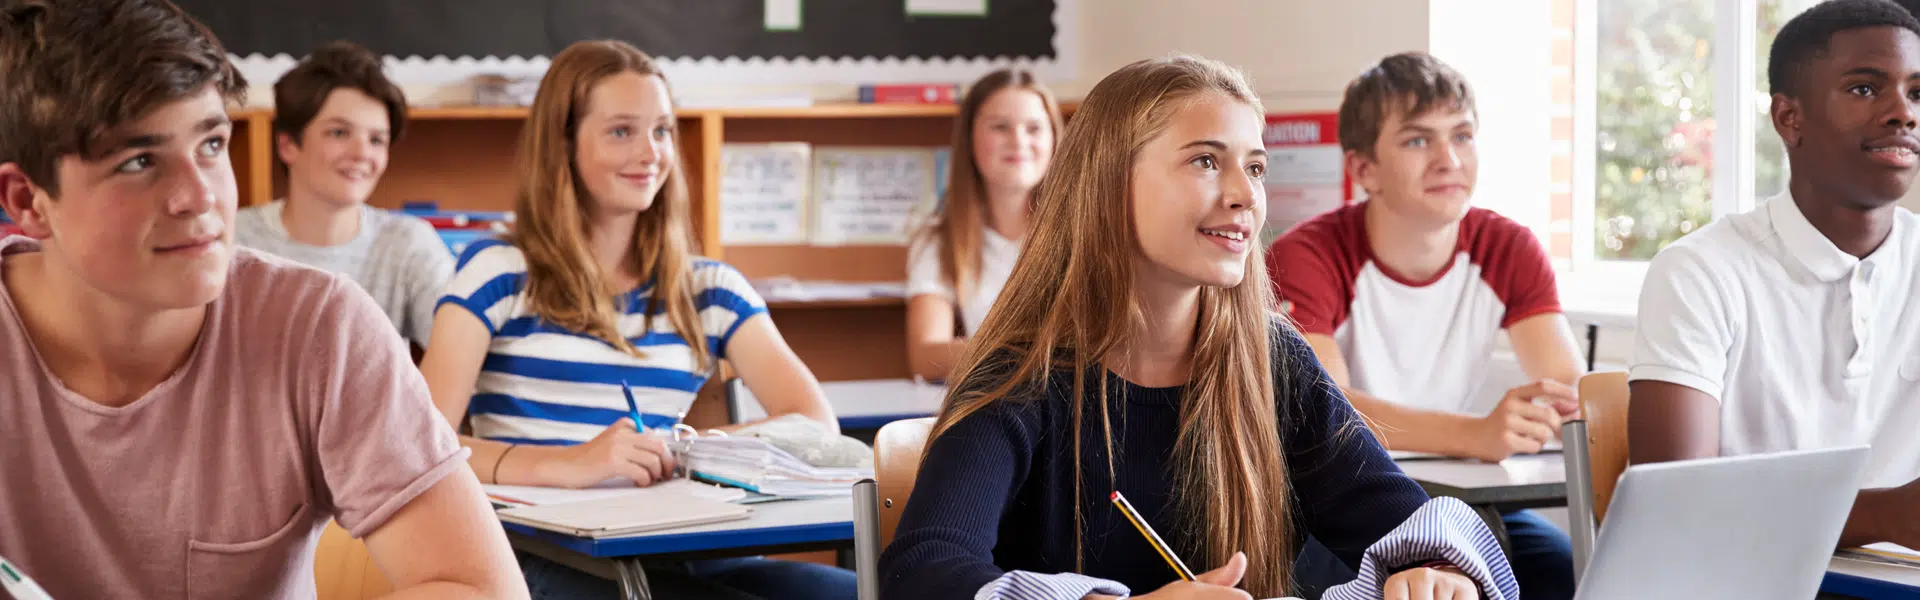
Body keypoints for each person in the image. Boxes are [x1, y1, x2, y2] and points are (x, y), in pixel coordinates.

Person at [878, 55, 1517, 600]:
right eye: (1207, 162)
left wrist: (1432, 567)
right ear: (1107, 187)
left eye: (1256, 167)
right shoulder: (1021, 375)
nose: (1246, 194)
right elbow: (922, 568)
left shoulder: (1273, 359)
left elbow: (1407, 517)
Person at [0, 1, 526, 598]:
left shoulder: (321, 326)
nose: (200, 198)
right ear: (26, 200)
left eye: (211, 144)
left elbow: (482, 590)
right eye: (140, 161)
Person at [417, 39, 853, 599]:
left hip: (686, 546)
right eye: (621, 131)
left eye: (662, 131)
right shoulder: (497, 272)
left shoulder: (708, 289)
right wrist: (573, 463)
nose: (651, 153)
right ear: (563, 145)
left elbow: (813, 422)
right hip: (548, 558)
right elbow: (423, 448)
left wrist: (684, 445)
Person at [1265, 51, 1583, 600]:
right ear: (1364, 169)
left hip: (1452, 503)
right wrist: (1477, 434)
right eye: (1417, 141)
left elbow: (1569, 395)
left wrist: (1551, 412)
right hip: (1331, 508)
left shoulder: (1509, 247)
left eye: (1462, 136)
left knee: (1571, 576)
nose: (1448, 160)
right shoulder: (1306, 256)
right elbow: (1330, 412)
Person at [1628, 0, 1920, 552]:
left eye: (1917, 93)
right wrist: (1886, 516)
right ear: (1790, 119)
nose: (1902, 112)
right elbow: (1669, 509)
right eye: (1865, 89)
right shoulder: (1700, 272)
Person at [234, 40, 454, 350]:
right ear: (288, 146)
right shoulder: (233, 242)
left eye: (377, 139)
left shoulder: (407, 243)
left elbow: (462, 352)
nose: (362, 153)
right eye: (339, 133)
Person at [906, 68, 1063, 380]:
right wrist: (1025, 351)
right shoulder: (939, 237)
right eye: (1000, 127)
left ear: (1055, 138)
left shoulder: (1083, 232)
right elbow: (925, 356)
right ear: (970, 139)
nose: (1018, 141)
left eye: (1034, 128)